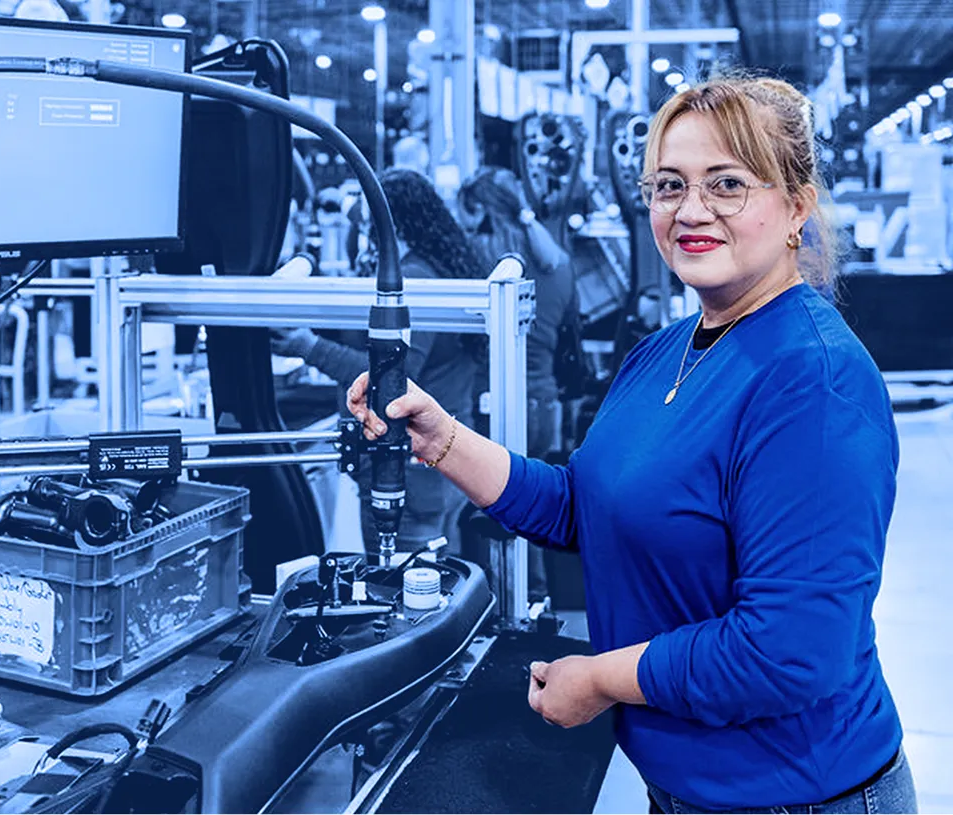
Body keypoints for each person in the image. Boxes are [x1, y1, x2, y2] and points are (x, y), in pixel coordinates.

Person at [347, 75, 916, 814]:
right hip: (686, 787)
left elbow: (789, 650)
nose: (691, 210)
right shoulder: (664, 352)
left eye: (728, 184)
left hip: (797, 796)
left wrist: (602, 678)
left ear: (797, 206)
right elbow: (584, 506)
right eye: (669, 185)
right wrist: (442, 436)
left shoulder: (816, 382)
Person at [272, 168, 485, 554]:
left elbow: (395, 377)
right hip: (438, 467)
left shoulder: (415, 279)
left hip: (409, 474)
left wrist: (308, 346)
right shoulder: (434, 266)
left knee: (395, 589)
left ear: (389, 219)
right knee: (438, 586)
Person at [457, 166, 580, 600]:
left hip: (497, 405)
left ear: (481, 211)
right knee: (535, 515)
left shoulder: (481, 262)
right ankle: (536, 604)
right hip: (544, 407)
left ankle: (495, 619)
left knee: (490, 521)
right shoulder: (558, 261)